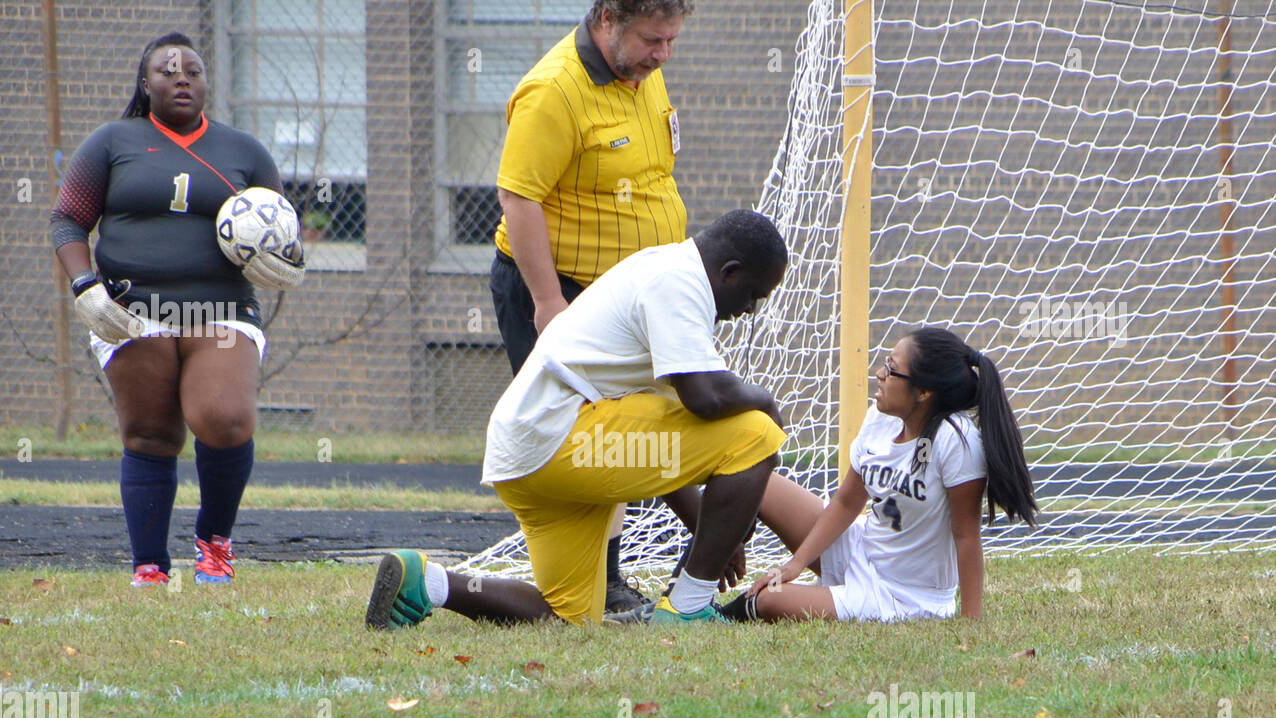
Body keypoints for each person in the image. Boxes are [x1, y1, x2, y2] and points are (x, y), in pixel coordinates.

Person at [366, 209, 787, 629]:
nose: (749, 309)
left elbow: (658, 443)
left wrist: (710, 531)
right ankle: (688, 607)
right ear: (730, 272)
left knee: (569, 616)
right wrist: (768, 403)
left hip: (529, 453)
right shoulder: (678, 282)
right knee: (754, 432)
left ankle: (429, 582)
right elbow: (706, 398)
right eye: (753, 294)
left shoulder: (662, 268)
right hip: (567, 439)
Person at [50, 32, 303, 587]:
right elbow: (68, 219)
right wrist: (85, 286)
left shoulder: (244, 151)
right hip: (131, 309)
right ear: (146, 85)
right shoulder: (112, 141)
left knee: (225, 419)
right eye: (167, 70)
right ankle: (149, 566)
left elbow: (282, 230)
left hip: (221, 308)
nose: (181, 76)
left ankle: (215, 542)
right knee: (150, 435)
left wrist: (286, 262)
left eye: (192, 69)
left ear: (208, 82)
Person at [491, 0, 694, 613]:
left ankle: (608, 575)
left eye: (670, 41)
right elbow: (517, 198)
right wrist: (550, 301)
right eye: (652, 40)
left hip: (628, 296)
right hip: (567, 291)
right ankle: (594, 583)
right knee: (585, 440)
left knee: (626, 432)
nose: (662, 55)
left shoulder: (641, 71)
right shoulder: (554, 90)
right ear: (607, 18)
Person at [716, 327, 1037, 622]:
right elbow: (845, 503)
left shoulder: (956, 440)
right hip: (862, 548)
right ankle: (690, 588)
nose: (880, 374)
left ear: (923, 392)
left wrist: (971, 622)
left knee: (766, 601)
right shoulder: (881, 418)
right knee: (758, 483)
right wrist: (794, 565)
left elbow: (967, 535)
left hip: (902, 595)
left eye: (892, 368)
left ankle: (716, 617)